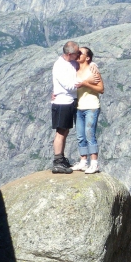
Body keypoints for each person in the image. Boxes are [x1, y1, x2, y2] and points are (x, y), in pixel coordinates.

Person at [72, 47, 104, 174]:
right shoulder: (74, 68)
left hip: (91, 106)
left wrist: (85, 83)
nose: (78, 54)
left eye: (81, 53)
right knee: (80, 135)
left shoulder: (92, 69)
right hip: (78, 107)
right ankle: (83, 161)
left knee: (89, 134)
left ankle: (94, 163)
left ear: (88, 57)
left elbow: (101, 89)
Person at [51, 40, 81, 174]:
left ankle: (61, 158)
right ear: (70, 54)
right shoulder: (59, 66)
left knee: (65, 131)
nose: (78, 54)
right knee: (61, 132)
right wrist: (86, 83)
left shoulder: (71, 63)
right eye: (77, 53)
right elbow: (69, 86)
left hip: (70, 101)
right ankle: (57, 161)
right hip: (62, 102)